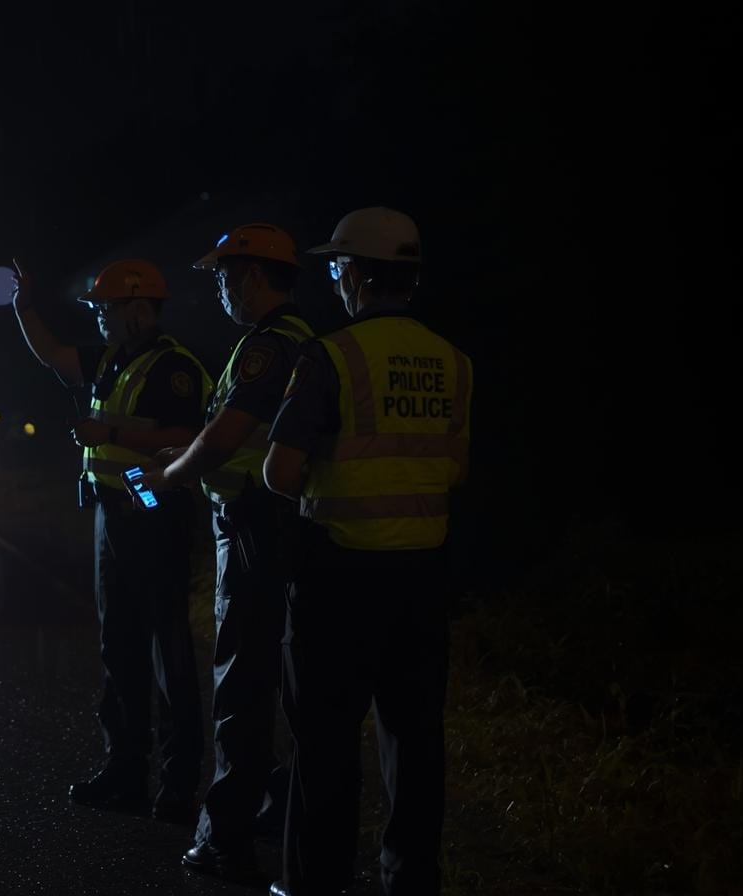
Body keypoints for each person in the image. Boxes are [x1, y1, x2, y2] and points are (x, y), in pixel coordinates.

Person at [262, 208, 472, 896]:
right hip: (423, 578)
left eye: (334, 268)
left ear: (354, 273)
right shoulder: (454, 361)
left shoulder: (330, 356)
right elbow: (454, 469)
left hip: (340, 576)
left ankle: (316, 881)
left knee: (325, 741)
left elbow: (280, 472)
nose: (333, 280)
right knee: (414, 740)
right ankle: (410, 882)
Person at [139, 224, 314, 882]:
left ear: (252, 276)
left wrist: (170, 474)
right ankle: (276, 809)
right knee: (282, 676)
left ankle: (225, 835)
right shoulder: (298, 338)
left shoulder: (268, 345)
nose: (218, 288)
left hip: (253, 526)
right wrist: (183, 456)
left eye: (223, 277)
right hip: (281, 524)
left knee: (241, 677)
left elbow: (225, 437)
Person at [11, 257, 211, 822]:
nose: (100, 317)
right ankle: (125, 770)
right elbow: (52, 355)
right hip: (112, 514)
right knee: (119, 644)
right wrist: (24, 307)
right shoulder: (111, 359)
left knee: (167, 648)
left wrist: (111, 432)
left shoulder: (175, 366)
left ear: (139, 310)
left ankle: (178, 783)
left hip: (155, 515)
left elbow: (192, 434)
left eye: (107, 308)